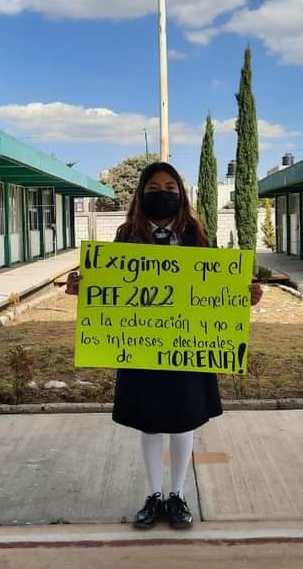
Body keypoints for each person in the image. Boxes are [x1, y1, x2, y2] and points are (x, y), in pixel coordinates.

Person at [66, 161, 263, 529]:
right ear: (142, 193)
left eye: (170, 187)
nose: (163, 193)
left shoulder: (200, 235)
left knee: (183, 420)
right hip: (142, 345)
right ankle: (153, 495)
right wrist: (85, 287)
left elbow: (219, 287)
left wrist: (245, 295)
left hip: (188, 346)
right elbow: (109, 285)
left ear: (181, 192)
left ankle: (178, 495)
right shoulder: (126, 235)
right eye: (154, 187)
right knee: (150, 423)